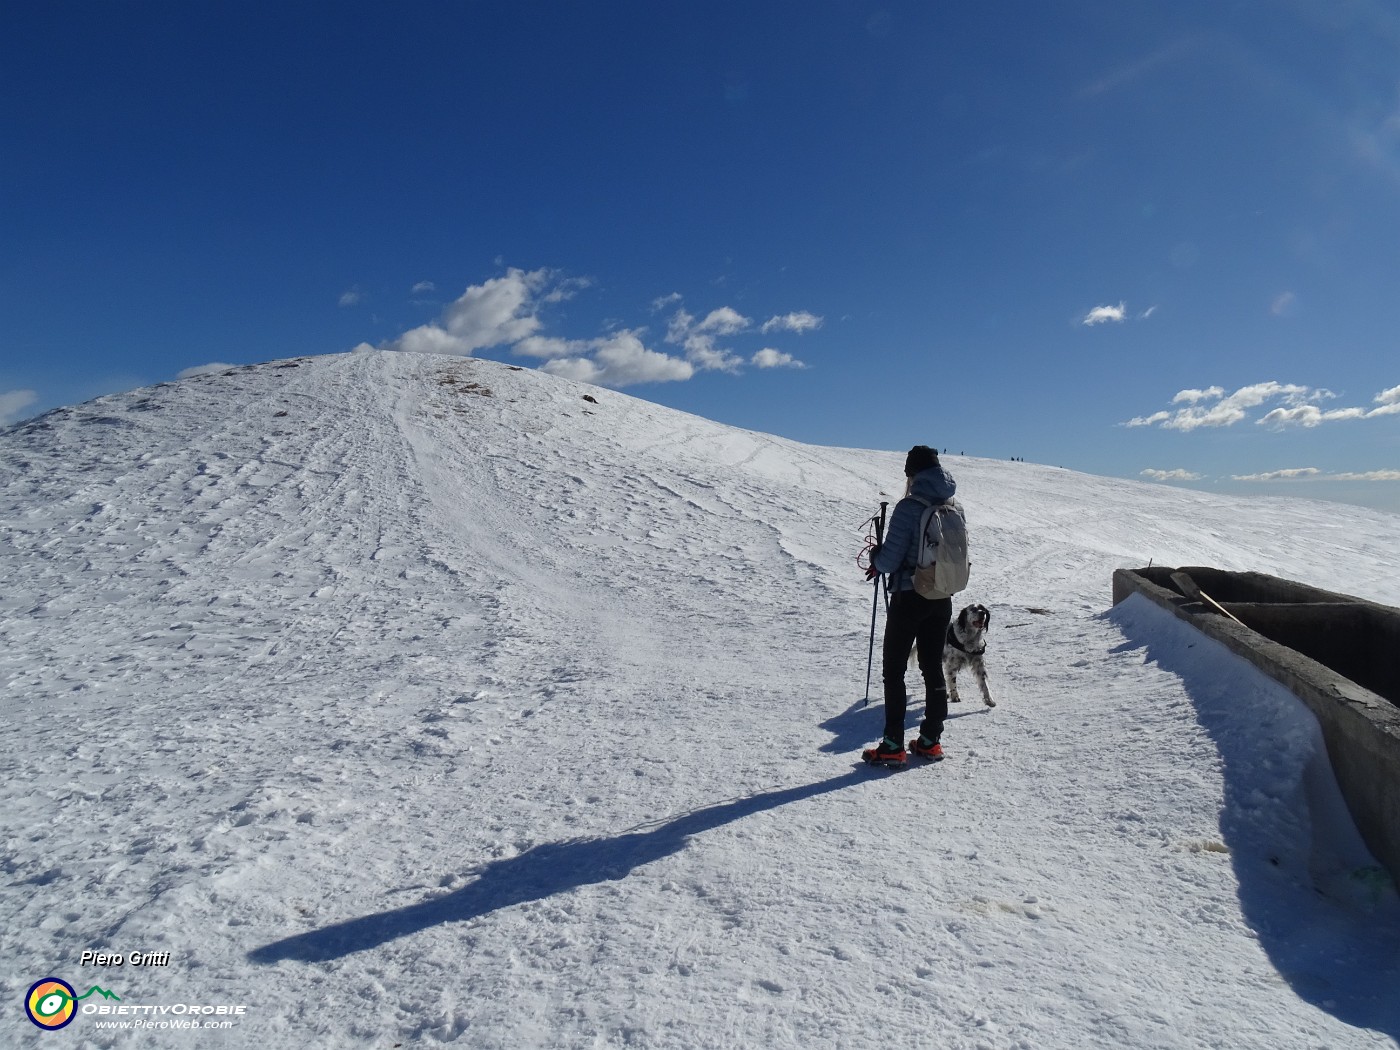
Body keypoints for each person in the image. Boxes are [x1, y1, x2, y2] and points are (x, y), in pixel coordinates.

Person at [862, 445, 957, 765]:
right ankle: (931, 740)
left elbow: (888, 561)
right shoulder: (953, 505)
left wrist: (876, 555)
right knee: (932, 668)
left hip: (909, 598)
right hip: (942, 598)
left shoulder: (908, 507)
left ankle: (893, 745)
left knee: (894, 671)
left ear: (911, 474)